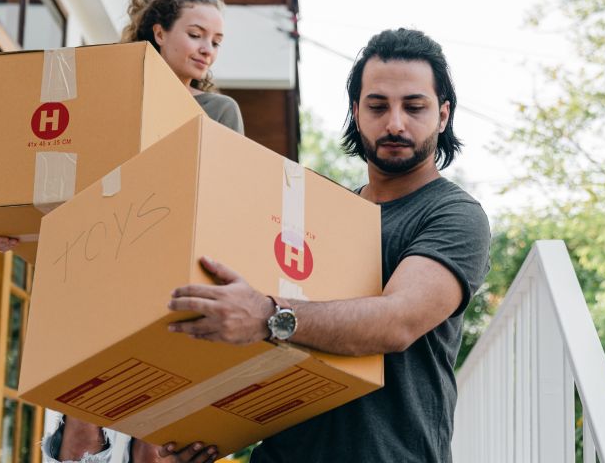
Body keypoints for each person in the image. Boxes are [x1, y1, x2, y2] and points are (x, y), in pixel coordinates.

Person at [147, 28, 487, 462]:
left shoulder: (454, 214)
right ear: (356, 113)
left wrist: (268, 315)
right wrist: (208, 425)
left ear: (442, 115)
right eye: (377, 106)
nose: (395, 123)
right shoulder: (319, 216)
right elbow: (254, 333)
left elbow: (397, 322)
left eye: (414, 107)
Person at [0, 0, 243, 258]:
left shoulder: (218, 111)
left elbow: (227, 202)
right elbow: (57, 174)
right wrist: (2, 220)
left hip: (171, 254)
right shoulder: (108, 101)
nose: (207, 50)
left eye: (216, 42)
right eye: (195, 35)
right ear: (160, 33)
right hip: (94, 253)